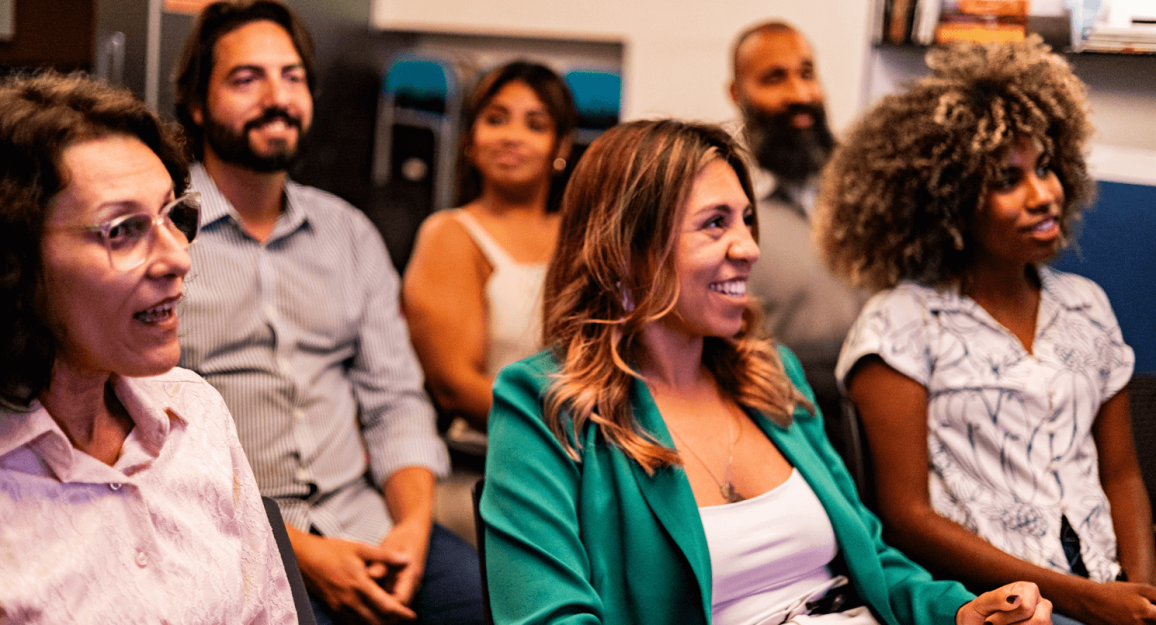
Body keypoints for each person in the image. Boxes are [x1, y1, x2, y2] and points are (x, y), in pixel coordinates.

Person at [480, 118, 1051, 625]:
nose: (749, 247)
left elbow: (873, 560)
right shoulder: (544, 402)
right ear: (626, 248)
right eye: (715, 224)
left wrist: (962, 612)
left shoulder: (771, 374)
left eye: (748, 221)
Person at [818, 36, 1155, 625]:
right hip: (1005, 608)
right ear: (949, 202)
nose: (1043, 195)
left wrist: (1141, 594)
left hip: (1113, 590)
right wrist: (1084, 601)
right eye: (1008, 179)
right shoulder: (899, 326)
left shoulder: (1087, 306)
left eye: (1046, 168)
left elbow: (1121, 472)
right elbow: (906, 518)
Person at [171, 2, 483, 624]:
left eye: (291, 77)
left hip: (370, 522)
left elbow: (395, 397)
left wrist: (412, 529)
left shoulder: (348, 233)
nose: (276, 96)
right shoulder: (167, 232)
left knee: (483, 602)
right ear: (199, 105)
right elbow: (155, 434)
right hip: (235, 537)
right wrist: (301, 551)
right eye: (246, 78)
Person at [0, 71, 296, 623]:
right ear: (13, 265)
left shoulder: (194, 410)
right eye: (123, 230)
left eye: (171, 215)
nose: (179, 257)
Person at [403, 60, 576, 444]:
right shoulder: (449, 233)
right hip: (490, 459)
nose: (512, 136)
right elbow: (456, 385)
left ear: (560, 146)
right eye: (496, 119)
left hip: (588, 464)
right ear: (471, 138)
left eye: (535, 125)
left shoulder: (582, 235)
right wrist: (572, 433)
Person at [728, 20, 867, 441]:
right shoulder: (730, 202)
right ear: (737, 94)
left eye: (807, 74)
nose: (800, 94)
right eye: (775, 78)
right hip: (783, 430)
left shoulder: (870, 188)